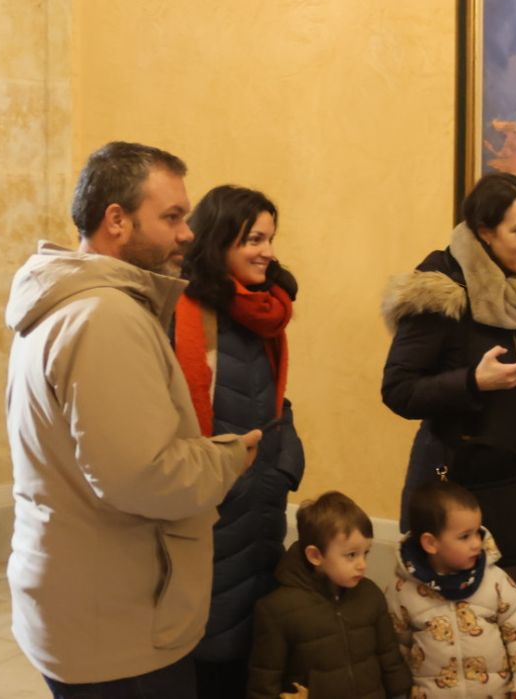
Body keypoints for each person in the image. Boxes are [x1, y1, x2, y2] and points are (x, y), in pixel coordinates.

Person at [5, 141, 261, 697]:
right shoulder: (104, 317)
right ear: (116, 220)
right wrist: (227, 457)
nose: (187, 233)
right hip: (115, 623)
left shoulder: (75, 299)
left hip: (88, 599)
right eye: (171, 217)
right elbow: (140, 475)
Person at [380, 172, 516, 600]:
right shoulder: (440, 288)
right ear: (484, 233)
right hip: (454, 480)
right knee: (449, 624)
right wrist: (473, 381)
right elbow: (399, 390)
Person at [172, 184, 305, 697]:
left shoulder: (264, 311)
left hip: (261, 496)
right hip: (210, 498)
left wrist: (283, 461)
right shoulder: (181, 309)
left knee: (253, 627)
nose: (267, 252)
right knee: (208, 631)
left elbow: (271, 398)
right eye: (253, 239)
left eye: (270, 239)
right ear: (220, 239)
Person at [385, 482, 516, 699]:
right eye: (465, 536)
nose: (476, 544)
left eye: (477, 533)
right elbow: (395, 653)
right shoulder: (403, 592)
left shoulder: (496, 583)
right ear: (431, 543)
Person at [247, 491, 411, 699]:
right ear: (316, 556)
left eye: (365, 553)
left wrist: (402, 693)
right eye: (351, 555)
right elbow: (264, 681)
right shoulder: (277, 609)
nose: (362, 564)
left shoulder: (370, 595)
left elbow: (389, 658)